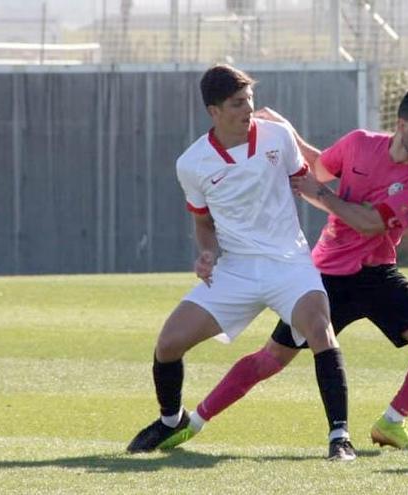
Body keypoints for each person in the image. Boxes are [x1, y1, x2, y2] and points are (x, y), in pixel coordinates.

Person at [168, 87, 408, 452]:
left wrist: (322, 195)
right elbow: (319, 169)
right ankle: (193, 422)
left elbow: (370, 222)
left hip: (377, 276)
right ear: (402, 124)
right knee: (271, 359)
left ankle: (392, 421)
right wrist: (290, 134)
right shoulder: (359, 143)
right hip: (326, 277)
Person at [125, 64, 355, 461]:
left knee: (320, 330)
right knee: (168, 344)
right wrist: (208, 253)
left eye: (249, 99)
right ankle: (170, 421)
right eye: (237, 103)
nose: (248, 108)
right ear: (214, 111)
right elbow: (202, 220)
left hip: (288, 262)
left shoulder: (277, 136)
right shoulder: (192, 163)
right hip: (236, 270)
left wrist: (347, 213)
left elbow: (306, 185)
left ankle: (339, 437)